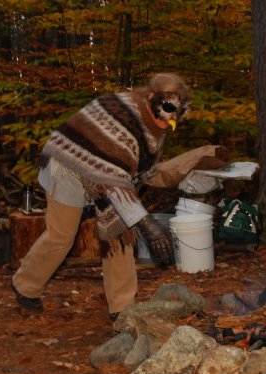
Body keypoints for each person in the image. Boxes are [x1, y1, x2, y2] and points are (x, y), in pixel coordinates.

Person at [11, 73, 192, 319]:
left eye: (178, 113)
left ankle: (122, 308)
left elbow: (135, 170)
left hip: (105, 176)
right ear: (151, 97)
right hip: (68, 164)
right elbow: (113, 177)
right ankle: (25, 286)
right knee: (61, 236)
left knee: (118, 233)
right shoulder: (122, 115)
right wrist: (148, 224)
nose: (171, 119)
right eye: (169, 108)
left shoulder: (155, 122)